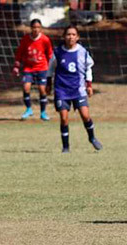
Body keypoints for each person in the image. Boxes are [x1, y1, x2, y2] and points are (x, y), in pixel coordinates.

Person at [49, 25, 102, 153]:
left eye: (73, 34)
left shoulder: (82, 52)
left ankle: (92, 137)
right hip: (61, 89)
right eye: (68, 34)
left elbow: (88, 67)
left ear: (77, 37)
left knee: (85, 115)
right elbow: (50, 68)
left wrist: (89, 85)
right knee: (64, 118)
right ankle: (66, 147)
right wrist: (48, 84)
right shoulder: (57, 52)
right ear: (64, 37)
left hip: (78, 89)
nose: (71, 37)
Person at [13, 19, 54, 121]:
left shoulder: (45, 39)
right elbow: (20, 53)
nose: (36, 29)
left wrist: (52, 68)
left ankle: (43, 112)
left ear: (41, 28)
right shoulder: (26, 39)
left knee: (42, 90)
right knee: (26, 87)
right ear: (31, 28)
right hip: (29, 68)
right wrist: (16, 66)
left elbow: (50, 54)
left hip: (42, 68)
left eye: (38, 27)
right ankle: (28, 109)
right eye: (34, 27)